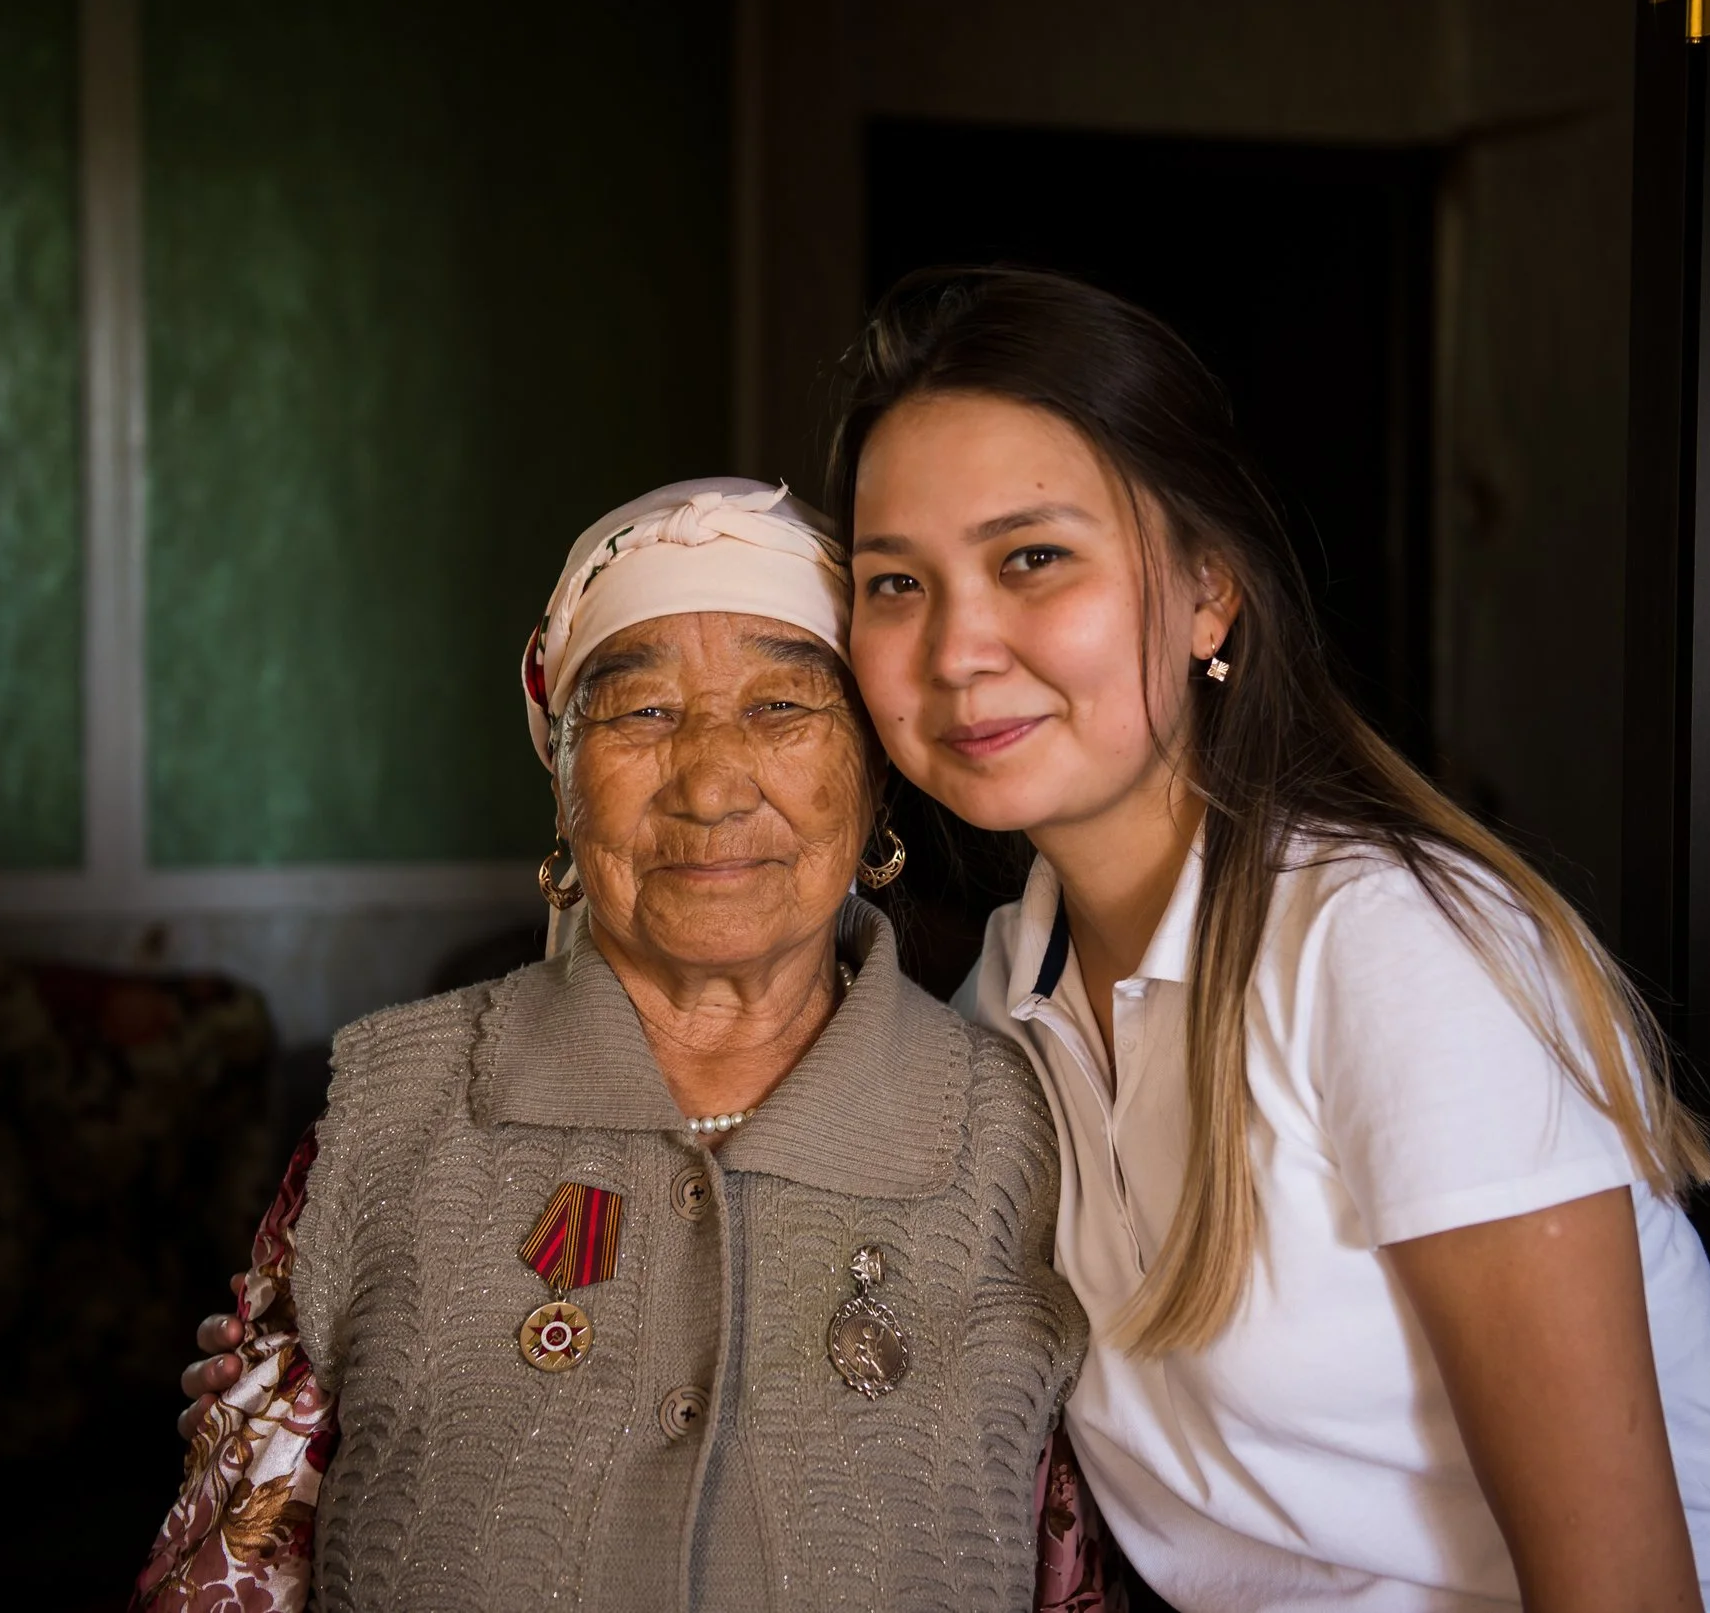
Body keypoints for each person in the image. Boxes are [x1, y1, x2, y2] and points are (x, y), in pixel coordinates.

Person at [830, 267, 1710, 1611]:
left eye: (1034, 558)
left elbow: (1622, 1589)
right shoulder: (999, 1003)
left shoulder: (1384, 952)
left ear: (1209, 593)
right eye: (895, 583)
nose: (959, 646)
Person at [136, 479, 1098, 1613]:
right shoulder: (391, 1114)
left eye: (783, 708)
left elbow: (1085, 1566)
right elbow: (225, 1569)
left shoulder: (1026, 1132)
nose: (707, 781)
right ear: (562, 784)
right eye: (640, 713)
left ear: (875, 771)